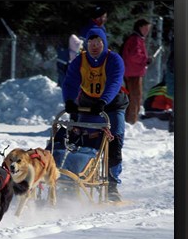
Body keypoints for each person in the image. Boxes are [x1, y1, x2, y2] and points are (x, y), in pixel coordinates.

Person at [62, 27, 129, 202]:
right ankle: (73, 177)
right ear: (86, 44)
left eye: (98, 42)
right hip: (88, 103)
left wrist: (103, 101)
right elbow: (70, 82)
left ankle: (112, 185)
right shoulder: (79, 61)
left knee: (114, 140)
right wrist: (69, 100)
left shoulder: (114, 60)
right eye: (91, 42)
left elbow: (114, 83)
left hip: (113, 105)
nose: (94, 46)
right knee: (83, 138)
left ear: (104, 43)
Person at [121, 18, 152, 124]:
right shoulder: (136, 39)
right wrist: (146, 59)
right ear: (140, 27)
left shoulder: (136, 39)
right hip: (133, 73)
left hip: (132, 72)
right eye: (146, 28)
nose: (148, 31)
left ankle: (130, 120)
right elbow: (135, 55)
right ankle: (131, 121)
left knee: (132, 97)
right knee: (135, 97)